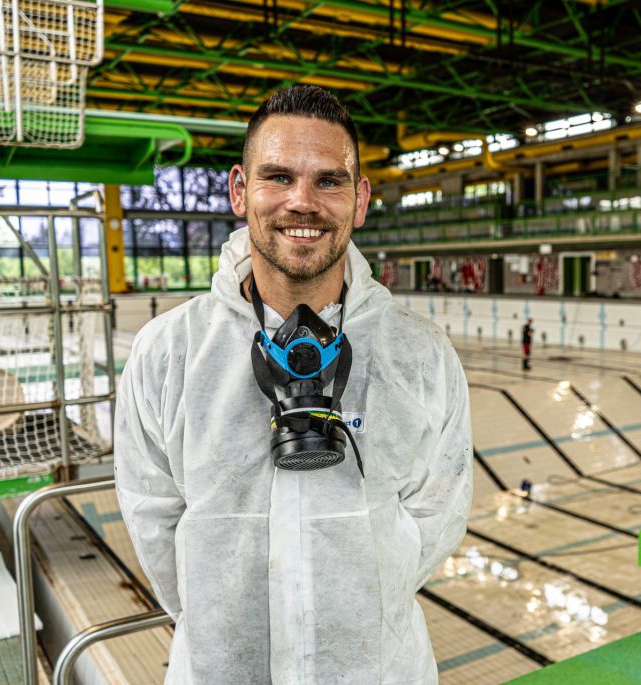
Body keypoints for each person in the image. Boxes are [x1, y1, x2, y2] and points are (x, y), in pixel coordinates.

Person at [114, 85, 473, 684]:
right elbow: (154, 522)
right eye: (277, 177)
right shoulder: (168, 352)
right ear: (239, 190)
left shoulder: (420, 354)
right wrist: (224, 624)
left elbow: (438, 515)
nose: (301, 203)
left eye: (328, 181)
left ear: (360, 200)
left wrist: (358, 612)